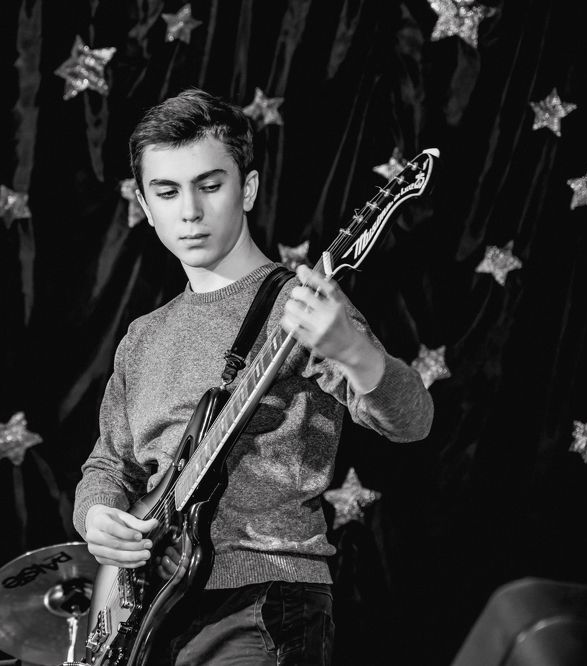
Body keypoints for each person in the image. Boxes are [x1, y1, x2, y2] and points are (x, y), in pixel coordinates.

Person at [72, 88, 434, 665]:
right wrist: (96, 516)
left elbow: (413, 421)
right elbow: (109, 464)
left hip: (263, 600)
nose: (190, 211)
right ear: (144, 203)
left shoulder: (300, 305)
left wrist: (355, 351)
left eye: (210, 185)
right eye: (167, 191)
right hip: (151, 616)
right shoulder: (142, 337)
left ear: (249, 188)